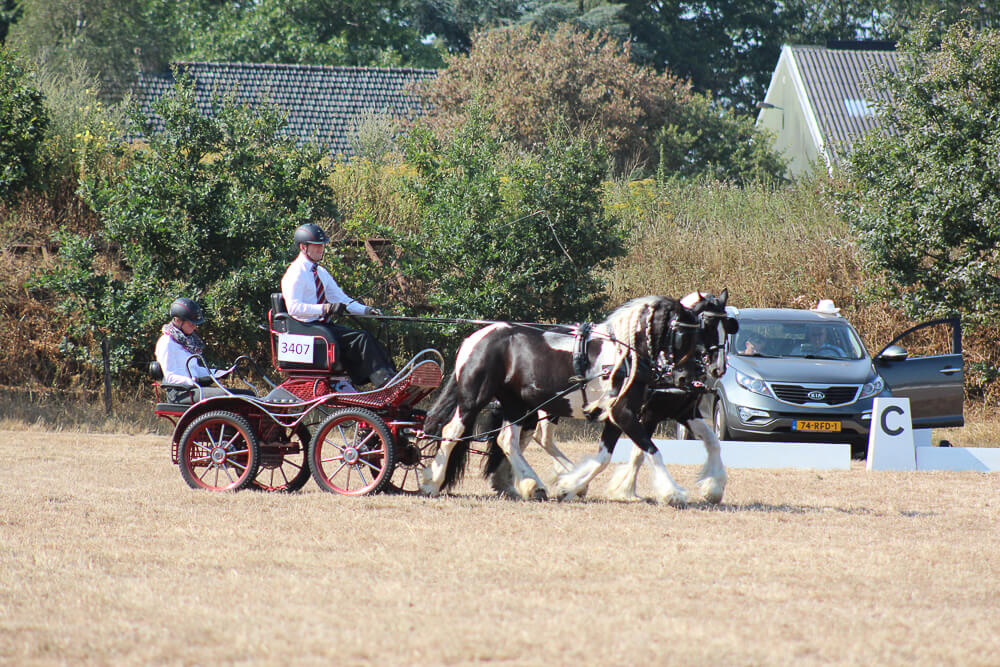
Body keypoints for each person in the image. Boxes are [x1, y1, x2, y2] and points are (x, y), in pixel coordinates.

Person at [281, 223, 396, 388]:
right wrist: (325, 308)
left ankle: (391, 377)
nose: (321, 249)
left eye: (322, 245)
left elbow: (342, 299)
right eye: (317, 245)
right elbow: (294, 308)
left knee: (367, 337)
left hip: (323, 327)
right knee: (361, 339)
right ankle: (385, 384)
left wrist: (367, 310)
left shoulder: (321, 272)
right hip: (307, 330)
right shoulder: (295, 273)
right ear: (303, 247)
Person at [155, 297, 249, 403]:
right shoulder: (167, 342)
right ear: (178, 320)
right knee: (228, 397)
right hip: (180, 393)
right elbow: (170, 377)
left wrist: (216, 373)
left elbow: (195, 369)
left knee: (246, 394)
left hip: (193, 389)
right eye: (190, 323)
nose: (194, 326)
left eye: (195, 323)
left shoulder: (187, 342)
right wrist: (193, 381)